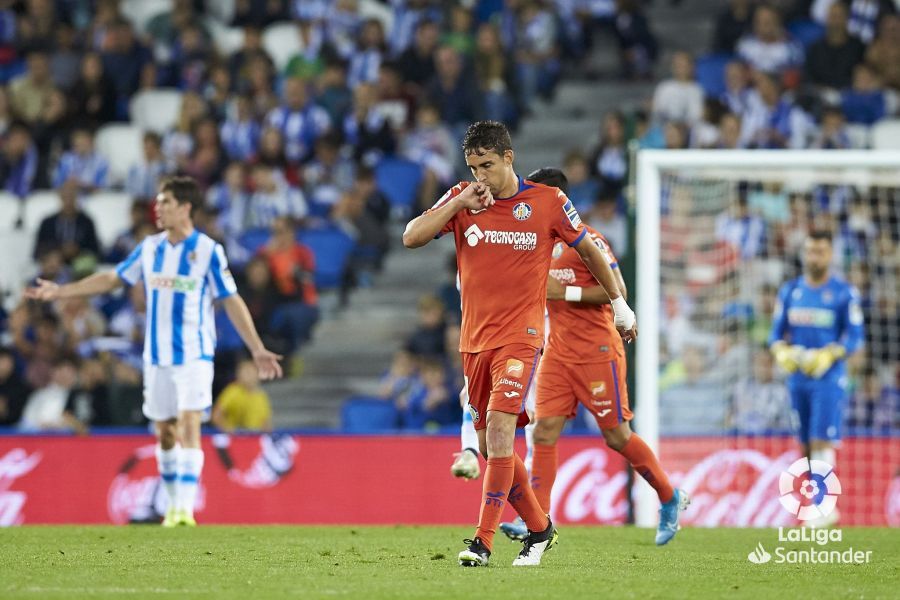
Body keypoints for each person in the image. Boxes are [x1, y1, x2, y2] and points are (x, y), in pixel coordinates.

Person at [403, 121, 635, 567]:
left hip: (522, 337)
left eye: (487, 165)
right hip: (474, 343)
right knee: (492, 449)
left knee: (501, 427)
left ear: (509, 157)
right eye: (473, 167)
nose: (480, 176)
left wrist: (620, 305)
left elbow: (589, 250)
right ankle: (540, 529)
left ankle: (482, 542)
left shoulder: (547, 201)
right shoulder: (463, 198)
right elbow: (411, 237)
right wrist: (456, 205)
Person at [26, 176, 283, 527]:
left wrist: (256, 348)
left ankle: (184, 510)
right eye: (158, 203)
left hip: (195, 354)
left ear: (185, 207)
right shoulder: (149, 248)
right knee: (164, 430)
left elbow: (231, 299)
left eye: (166, 203)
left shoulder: (208, 250)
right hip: (157, 356)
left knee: (190, 421)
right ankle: (172, 502)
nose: (158, 209)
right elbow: (113, 279)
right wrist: (62, 291)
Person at [497, 168, 686, 546]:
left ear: (558, 200)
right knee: (544, 431)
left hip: (598, 351)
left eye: (536, 194)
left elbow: (619, 291)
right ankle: (539, 521)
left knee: (617, 436)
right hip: (557, 354)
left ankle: (670, 496)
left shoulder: (589, 241)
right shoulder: (537, 243)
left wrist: (562, 294)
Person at [769, 230, 863, 528]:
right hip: (798, 376)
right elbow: (775, 333)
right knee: (806, 443)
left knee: (822, 438)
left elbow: (855, 336)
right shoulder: (790, 291)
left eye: (820, 251)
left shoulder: (844, 293)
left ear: (830, 254)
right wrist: (780, 350)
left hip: (827, 376)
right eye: (810, 251)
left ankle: (823, 505)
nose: (814, 257)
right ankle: (819, 504)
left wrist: (832, 353)